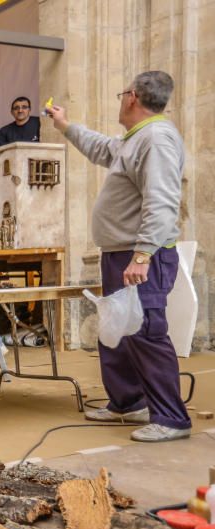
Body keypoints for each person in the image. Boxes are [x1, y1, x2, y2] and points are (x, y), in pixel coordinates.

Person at [47, 70, 191, 442]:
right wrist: (65, 125)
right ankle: (128, 402)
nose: (119, 100)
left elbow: (162, 202)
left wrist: (142, 255)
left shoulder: (156, 139)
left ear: (132, 97)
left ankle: (171, 418)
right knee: (118, 329)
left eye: (121, 93)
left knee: (145, 332)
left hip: (141, 254)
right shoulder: (135, 139)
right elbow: (100, 147)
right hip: (120, 252)